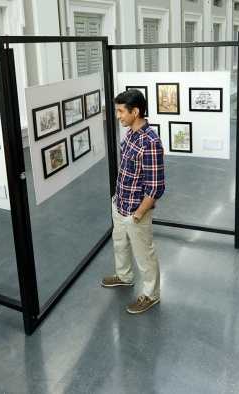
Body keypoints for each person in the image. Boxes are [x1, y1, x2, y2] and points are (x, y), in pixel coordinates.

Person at [101, 89, 165, 314]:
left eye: (120, 111)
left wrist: (138, 213)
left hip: (135, 211)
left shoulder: (150, 142)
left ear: (135, 111)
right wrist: (117, 201)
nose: (118, 116)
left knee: (144, 255)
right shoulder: (130, 134)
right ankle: (125, 276)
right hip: (120, 203)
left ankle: (151, 294)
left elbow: (156, 186)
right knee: (120, 244)